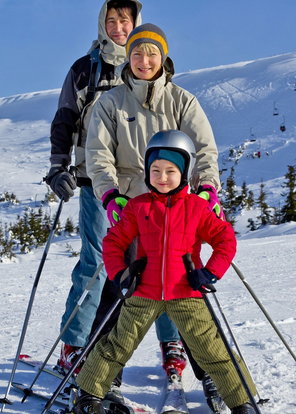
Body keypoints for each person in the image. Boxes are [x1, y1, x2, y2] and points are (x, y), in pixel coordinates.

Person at [84, 22, 228, 410]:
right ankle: (103, 375)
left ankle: (213, 373)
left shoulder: (182, 101)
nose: (144, 60)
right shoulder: (110, 103)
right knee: (118, 288)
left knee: (188, 292)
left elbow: (204, 150)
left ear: (163, 58)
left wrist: (207, 188)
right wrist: (111, 195)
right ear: (127, 57)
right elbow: (97, 155)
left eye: (151, 53)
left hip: (179, 209)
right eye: (136, 53)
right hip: (132, 207)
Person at [74, 130, 258, 414]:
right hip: (143, 292)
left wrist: (209, 272)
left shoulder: (197, 207)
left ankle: (241, 401)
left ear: (184, 172)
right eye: (155, 170)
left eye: (170, 171)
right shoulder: (138, 207)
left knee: (213, 350)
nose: (161, 177)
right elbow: (113, 242)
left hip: (186, 292)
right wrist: (121, 274)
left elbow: (225, 240)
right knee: (115, 346)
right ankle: (88, 397)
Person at [44, 0, 145, 376]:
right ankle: (74, 346)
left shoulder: (146, 64)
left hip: (141, 182)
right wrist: (58, 168)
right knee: (99, 263)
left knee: (143, 266)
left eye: (126, 19)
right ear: (103, 23)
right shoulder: (86, 69)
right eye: (113, 19)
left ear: (137, 22)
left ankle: (115, 349)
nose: (119, 26)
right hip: (95, 180)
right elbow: (66, 118)